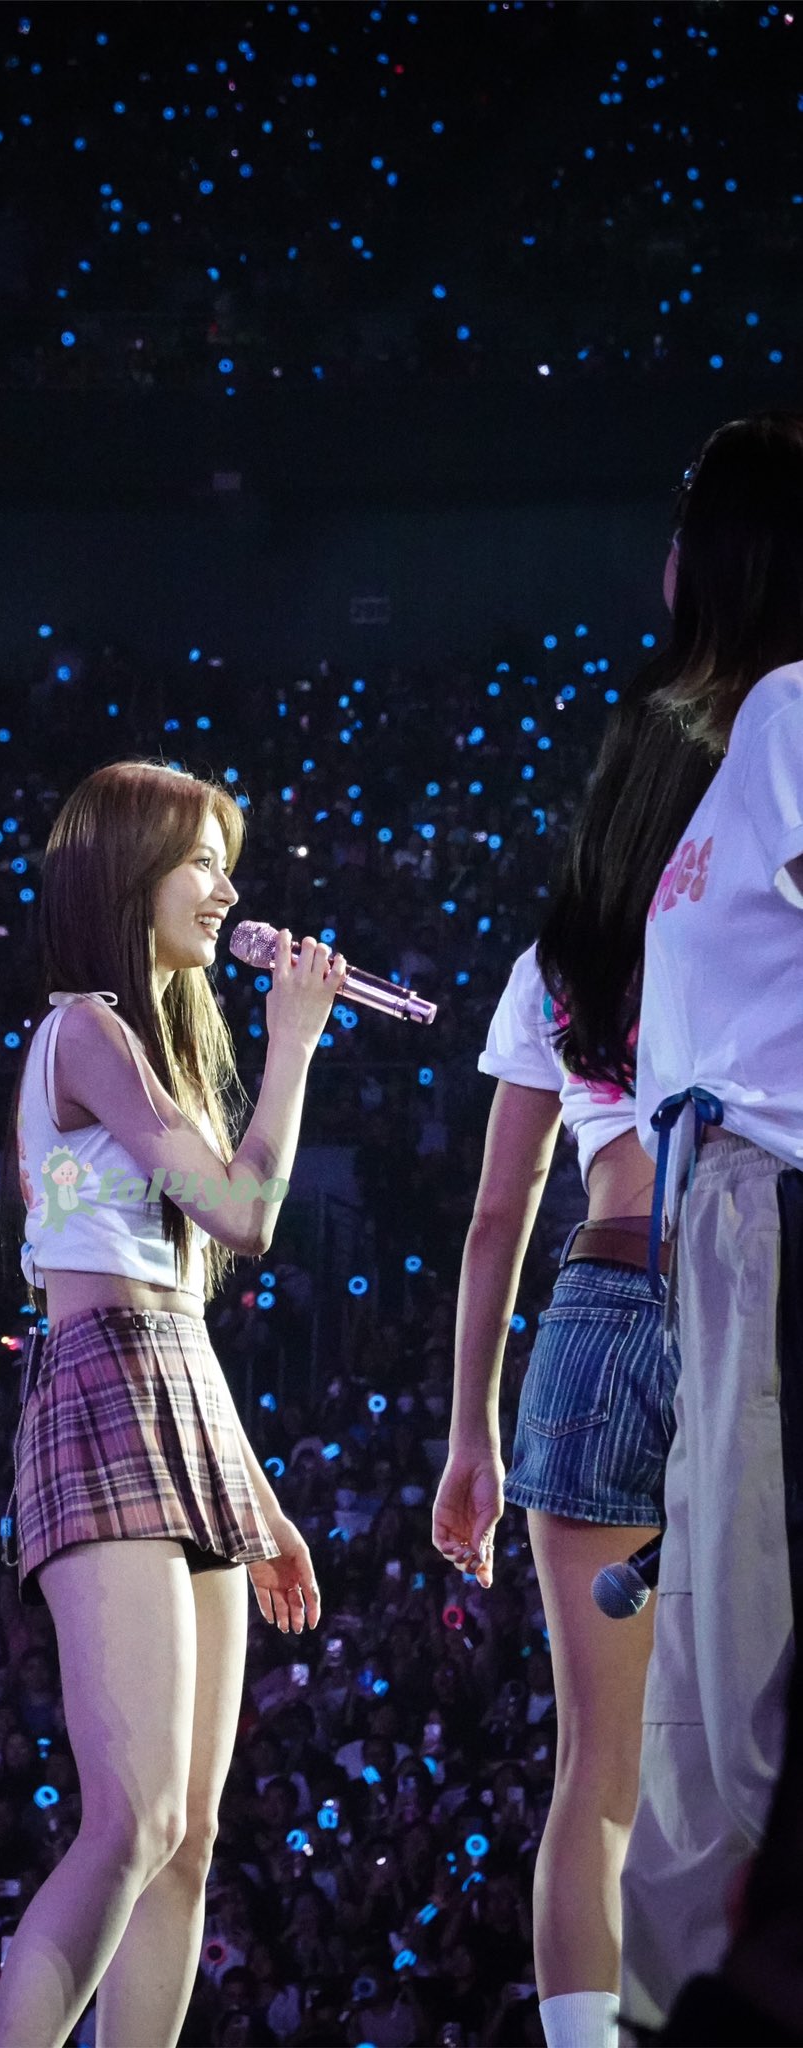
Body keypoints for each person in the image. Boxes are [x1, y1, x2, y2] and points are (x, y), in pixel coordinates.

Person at [0, 759, 342, 2048]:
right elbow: (244, 1214)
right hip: (100, 1393)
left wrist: (260, 1500)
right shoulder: (84, 1027)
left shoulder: (156, 1048)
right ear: (125, 872)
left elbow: (183, 1310)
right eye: (199, 861)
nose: (225, 889)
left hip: (179, 1398)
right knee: (130, 1817)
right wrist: (294, 1042)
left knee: (188, 1833)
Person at [432, 587, 714, 2048]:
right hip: (737, 1312)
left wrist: (466, 1437)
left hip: (592, 1321)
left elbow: (495, 1217)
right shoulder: (747, 927)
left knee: (595, 1776)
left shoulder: (552, 966)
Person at [619, 411, 803, 2029]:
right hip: (718, 1227)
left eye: (688, 521)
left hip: (768, 1211)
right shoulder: (743, 740)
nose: (664, 556)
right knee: (698, 1696)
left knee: (737, 1683)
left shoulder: (798, 708)